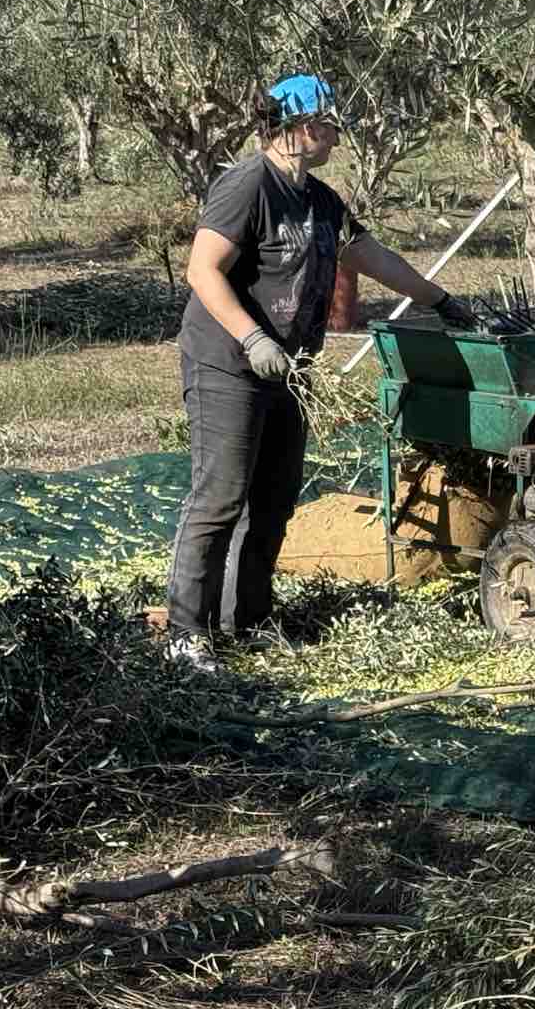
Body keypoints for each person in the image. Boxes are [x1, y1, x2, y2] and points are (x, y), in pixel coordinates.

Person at [165, 74, 476, 672]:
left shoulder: (320, 200)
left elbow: (369, 255)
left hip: (292, 368)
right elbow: (202, 270)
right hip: (229, 364)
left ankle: (248, 622)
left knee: (274, 498)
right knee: (220, 496)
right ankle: (186, 633)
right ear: (301, 125)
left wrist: (437, 299)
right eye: (330, 124)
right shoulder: (247, 186)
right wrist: (252, 336)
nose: (336, 136)